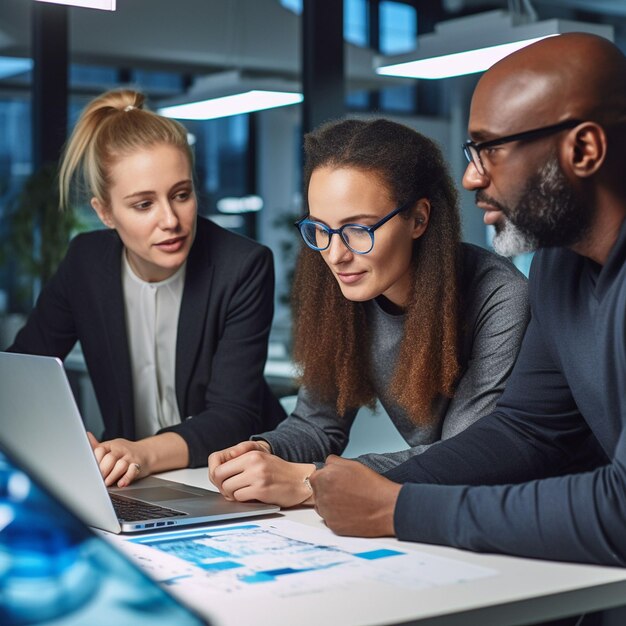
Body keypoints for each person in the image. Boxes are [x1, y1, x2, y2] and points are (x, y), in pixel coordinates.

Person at [310, 32, 626, 567]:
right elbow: (526, 429)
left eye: (491, 150)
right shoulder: (559, 264)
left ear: (583, 150)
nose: (471, 177)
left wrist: (397, 508)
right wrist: (377, 485)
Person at [209, 118, 529, 507]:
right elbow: (316, 424)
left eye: (358, 229)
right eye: (320, 230)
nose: (335, 254)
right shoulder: (348, 289)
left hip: (515, 510)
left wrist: (313, 481)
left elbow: (465, 456)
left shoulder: (500, 296)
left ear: (419, 219)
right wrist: (260, 451)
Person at [7, 88, 285, 488]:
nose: (170, 220)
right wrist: (66, 440)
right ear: (105, 212)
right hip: (133, 479)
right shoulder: (84, 262)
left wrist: (140, 452)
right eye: (143, 204)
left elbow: (233, 416)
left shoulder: (242, 265)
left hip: (231, 474)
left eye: (181, 195)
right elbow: (24, 370)